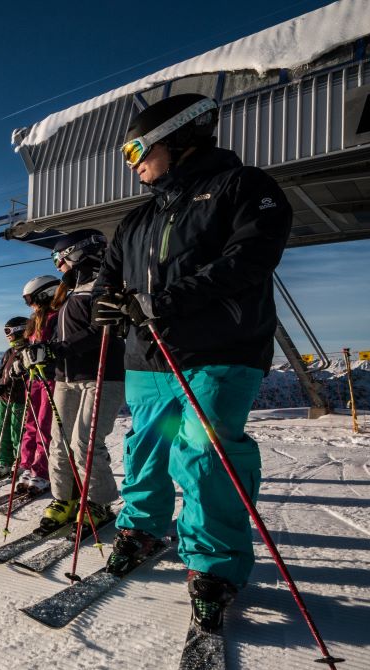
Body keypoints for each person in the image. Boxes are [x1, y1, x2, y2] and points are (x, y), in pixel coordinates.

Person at [91, 93, 292, 631]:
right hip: (148, 356)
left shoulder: (243, 188)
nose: (131, 161)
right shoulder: (135, 221)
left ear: (180, 137)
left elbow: (250, 259)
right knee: (145, 447)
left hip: (219, 350)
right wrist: (108, 307)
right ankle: (142, 528)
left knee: (204, 454)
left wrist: (162, 303)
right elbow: (109, 280)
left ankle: (213, 566)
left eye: (136, 148)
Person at [22, 230, 126, 530]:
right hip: (66, 378)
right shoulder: (69, 296)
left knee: (85, 444)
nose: (57, 266)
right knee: (59, 443)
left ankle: (98, 502)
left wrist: (55, 349)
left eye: (58, 258)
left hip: (101, 377)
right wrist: (37, 355)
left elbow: (100, 331)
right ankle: (65, 498)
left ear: (77, 253)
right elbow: (59, 338)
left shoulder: (103, 287)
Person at [15, 275, 61, 494]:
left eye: (30, 299)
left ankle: (41, 470)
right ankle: (28, 465)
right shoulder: (35, 320)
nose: (29, 304)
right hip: (34, 378)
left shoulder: (56, 317)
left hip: (50, 378)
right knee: (31, 423)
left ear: (45, 294)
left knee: (44, 424)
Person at [0, 316, 29, 483]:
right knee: (1, 430)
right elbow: (1, 373)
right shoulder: (9, 352)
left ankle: (21, 463)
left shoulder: (28, 351)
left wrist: (5, 386)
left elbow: (23, 378)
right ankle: (4, 463)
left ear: (19, 330)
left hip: (19, 398)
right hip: (4, 398)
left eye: (8, 331)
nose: (7, 335)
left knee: (16, 431)